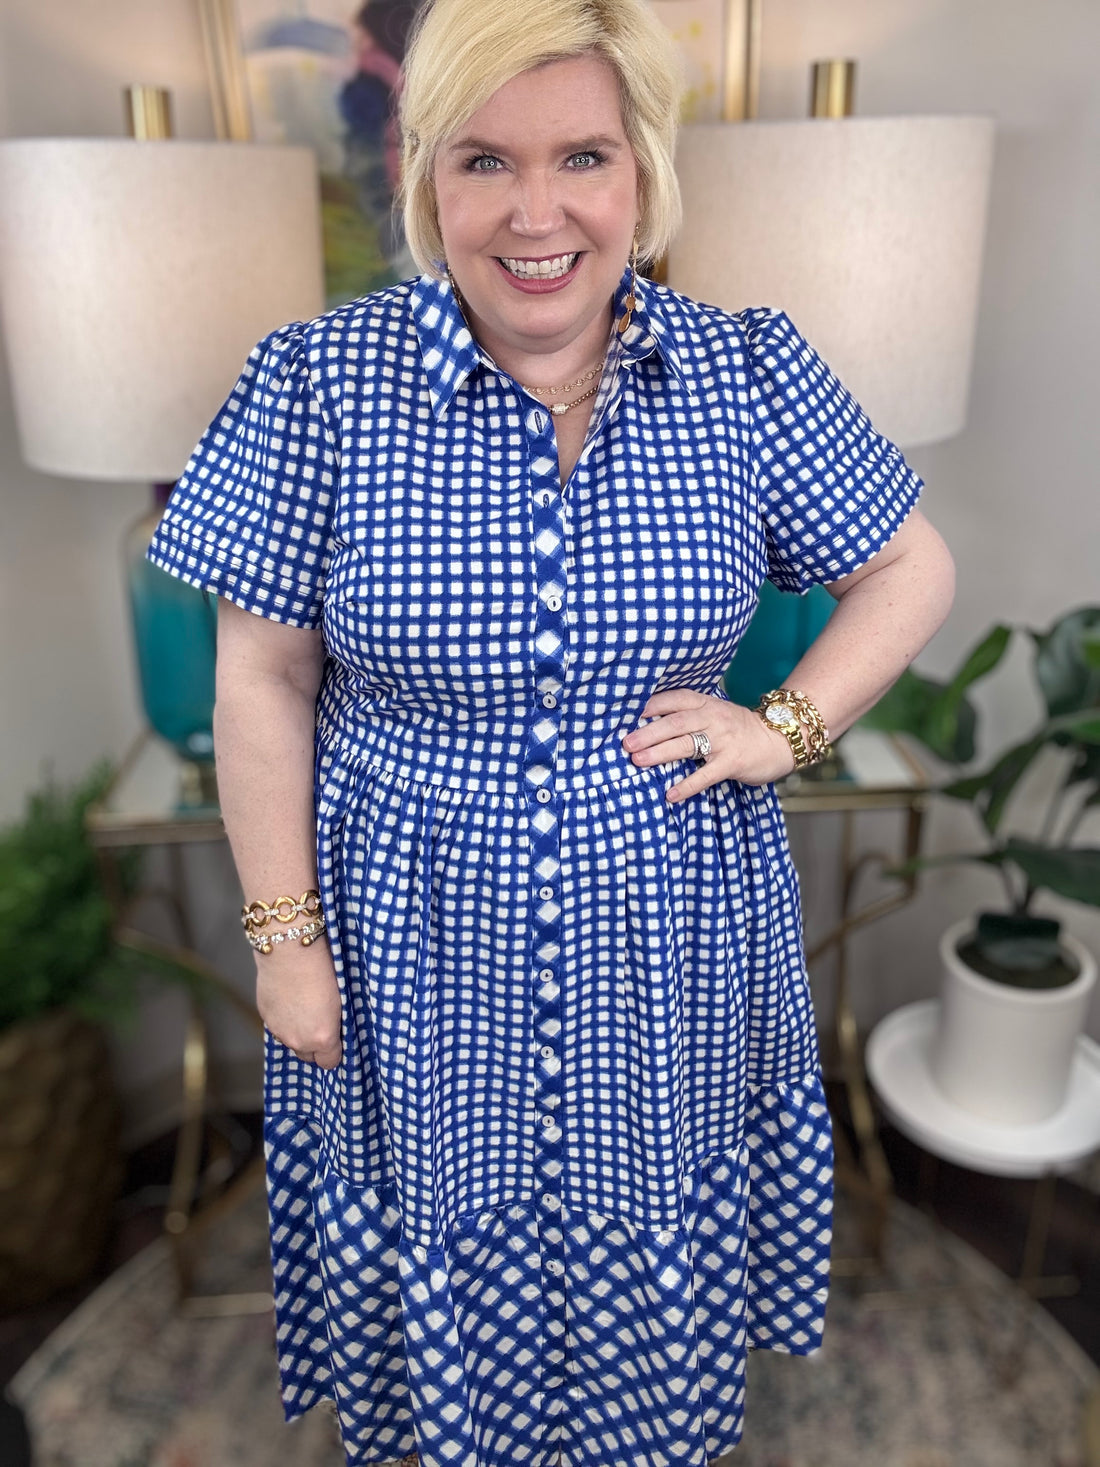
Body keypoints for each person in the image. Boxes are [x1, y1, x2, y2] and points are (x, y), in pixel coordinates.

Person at [148, 0, 955, 1462]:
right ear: (426, 183)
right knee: (438, 1281)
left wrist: (785, 727)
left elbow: (912, 568)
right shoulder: (316, 384)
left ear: (641, 170)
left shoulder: (747, 371)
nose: (536, 212)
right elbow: (259, 682)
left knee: (649, 1298)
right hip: (407, 931)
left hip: (674, 922)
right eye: (482, 161)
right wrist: (283, 940)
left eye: (582, 153)